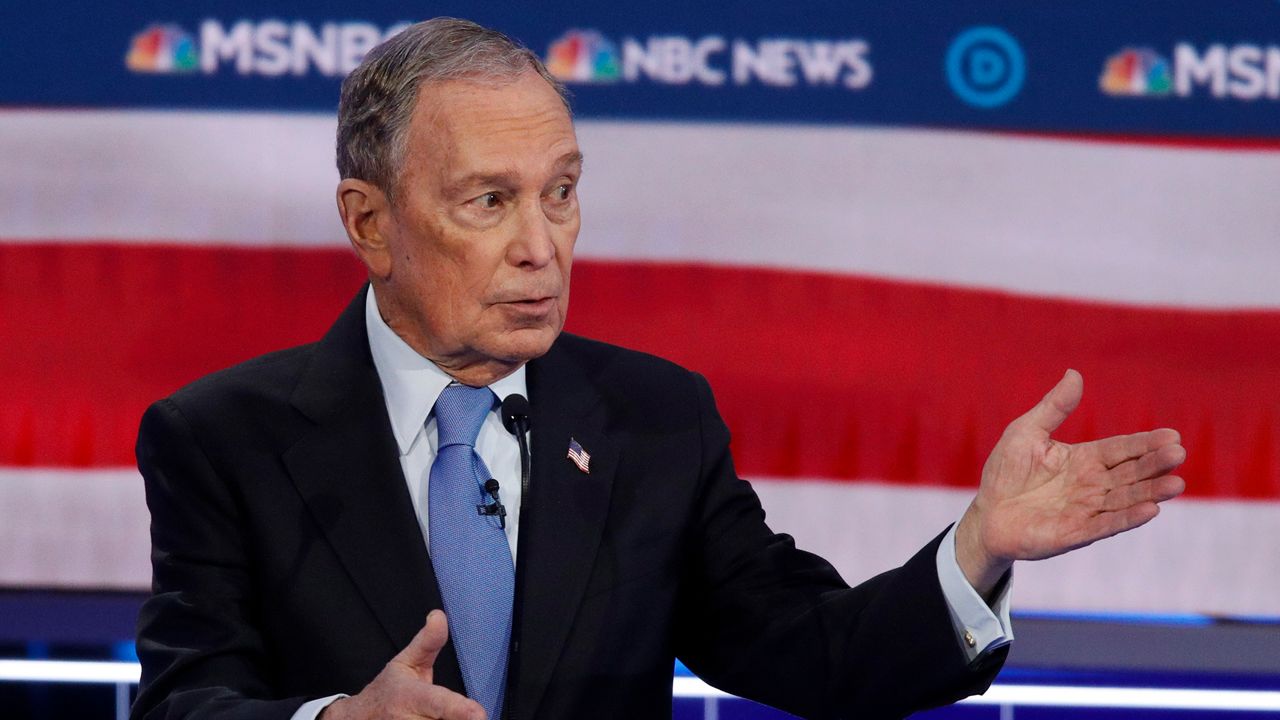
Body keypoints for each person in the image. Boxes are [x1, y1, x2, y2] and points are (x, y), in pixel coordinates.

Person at [131, 17, 1186, 720]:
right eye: (488, 201)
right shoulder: (221, 438)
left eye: (561, 191)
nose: (541, 246)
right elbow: (189, 700)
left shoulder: (652, 420)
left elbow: (810, 650)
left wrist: (975, 549)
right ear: (370, 224)